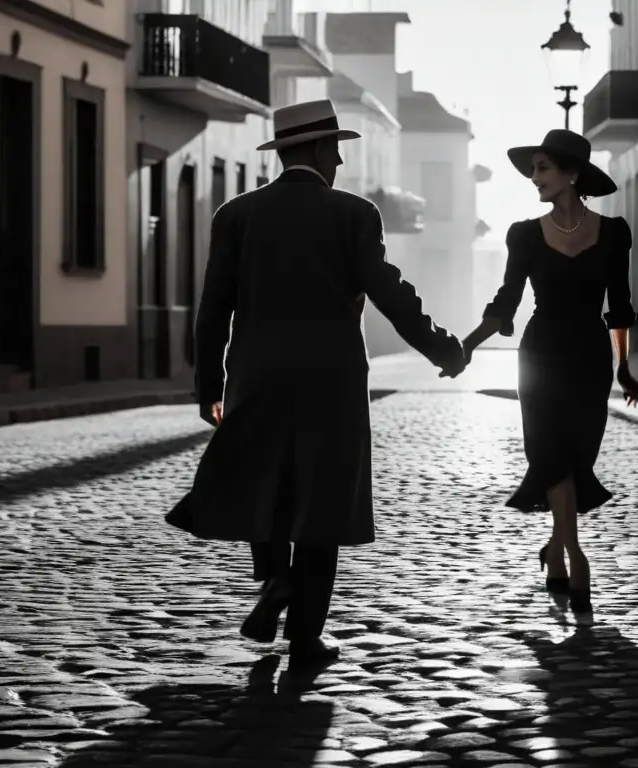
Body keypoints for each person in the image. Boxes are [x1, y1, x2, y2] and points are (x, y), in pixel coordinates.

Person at [168, 99, 466, 668]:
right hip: (332, 381)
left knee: (266, 488)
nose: (338, 159)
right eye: (333, 147)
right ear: (312, 150)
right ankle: (306, 638)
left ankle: (274, 580)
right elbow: (389, 291)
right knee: (322, 503)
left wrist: (209, 383)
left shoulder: (236, 216)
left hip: (257, 375)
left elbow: (213, 311)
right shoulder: (354, 215)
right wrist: (442, 348)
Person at [462, 129, 638, 615]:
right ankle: (573, 558)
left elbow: (620, 308)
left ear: (571, 174)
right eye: (533, 169)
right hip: (540, 355)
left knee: (577, 455)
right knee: (551, 454)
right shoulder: (523, 234)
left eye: (542, 168)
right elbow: (506, 303)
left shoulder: (613, 233)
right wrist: (466, 346)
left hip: (589, 356)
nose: (534, 178)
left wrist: (624, 367)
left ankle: (555, 548)